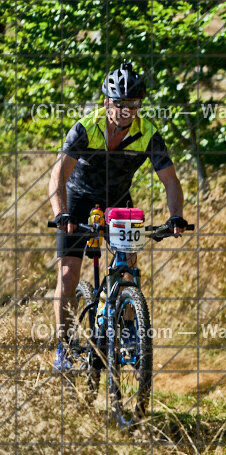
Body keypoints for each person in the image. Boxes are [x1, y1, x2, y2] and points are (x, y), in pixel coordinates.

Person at [49, 60, 188, 373]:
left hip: (118, 203)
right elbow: (57, 177)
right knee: (69, 275)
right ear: (105, 102)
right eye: (119, 103)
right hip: (79, 200)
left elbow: (170, 180)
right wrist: (62, 214)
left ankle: (128, 332)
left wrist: (176, 216)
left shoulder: (149, 135)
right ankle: (64, 348)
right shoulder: (85, 129)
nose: (126, 110)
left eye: (133, 104)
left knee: (127, 268)